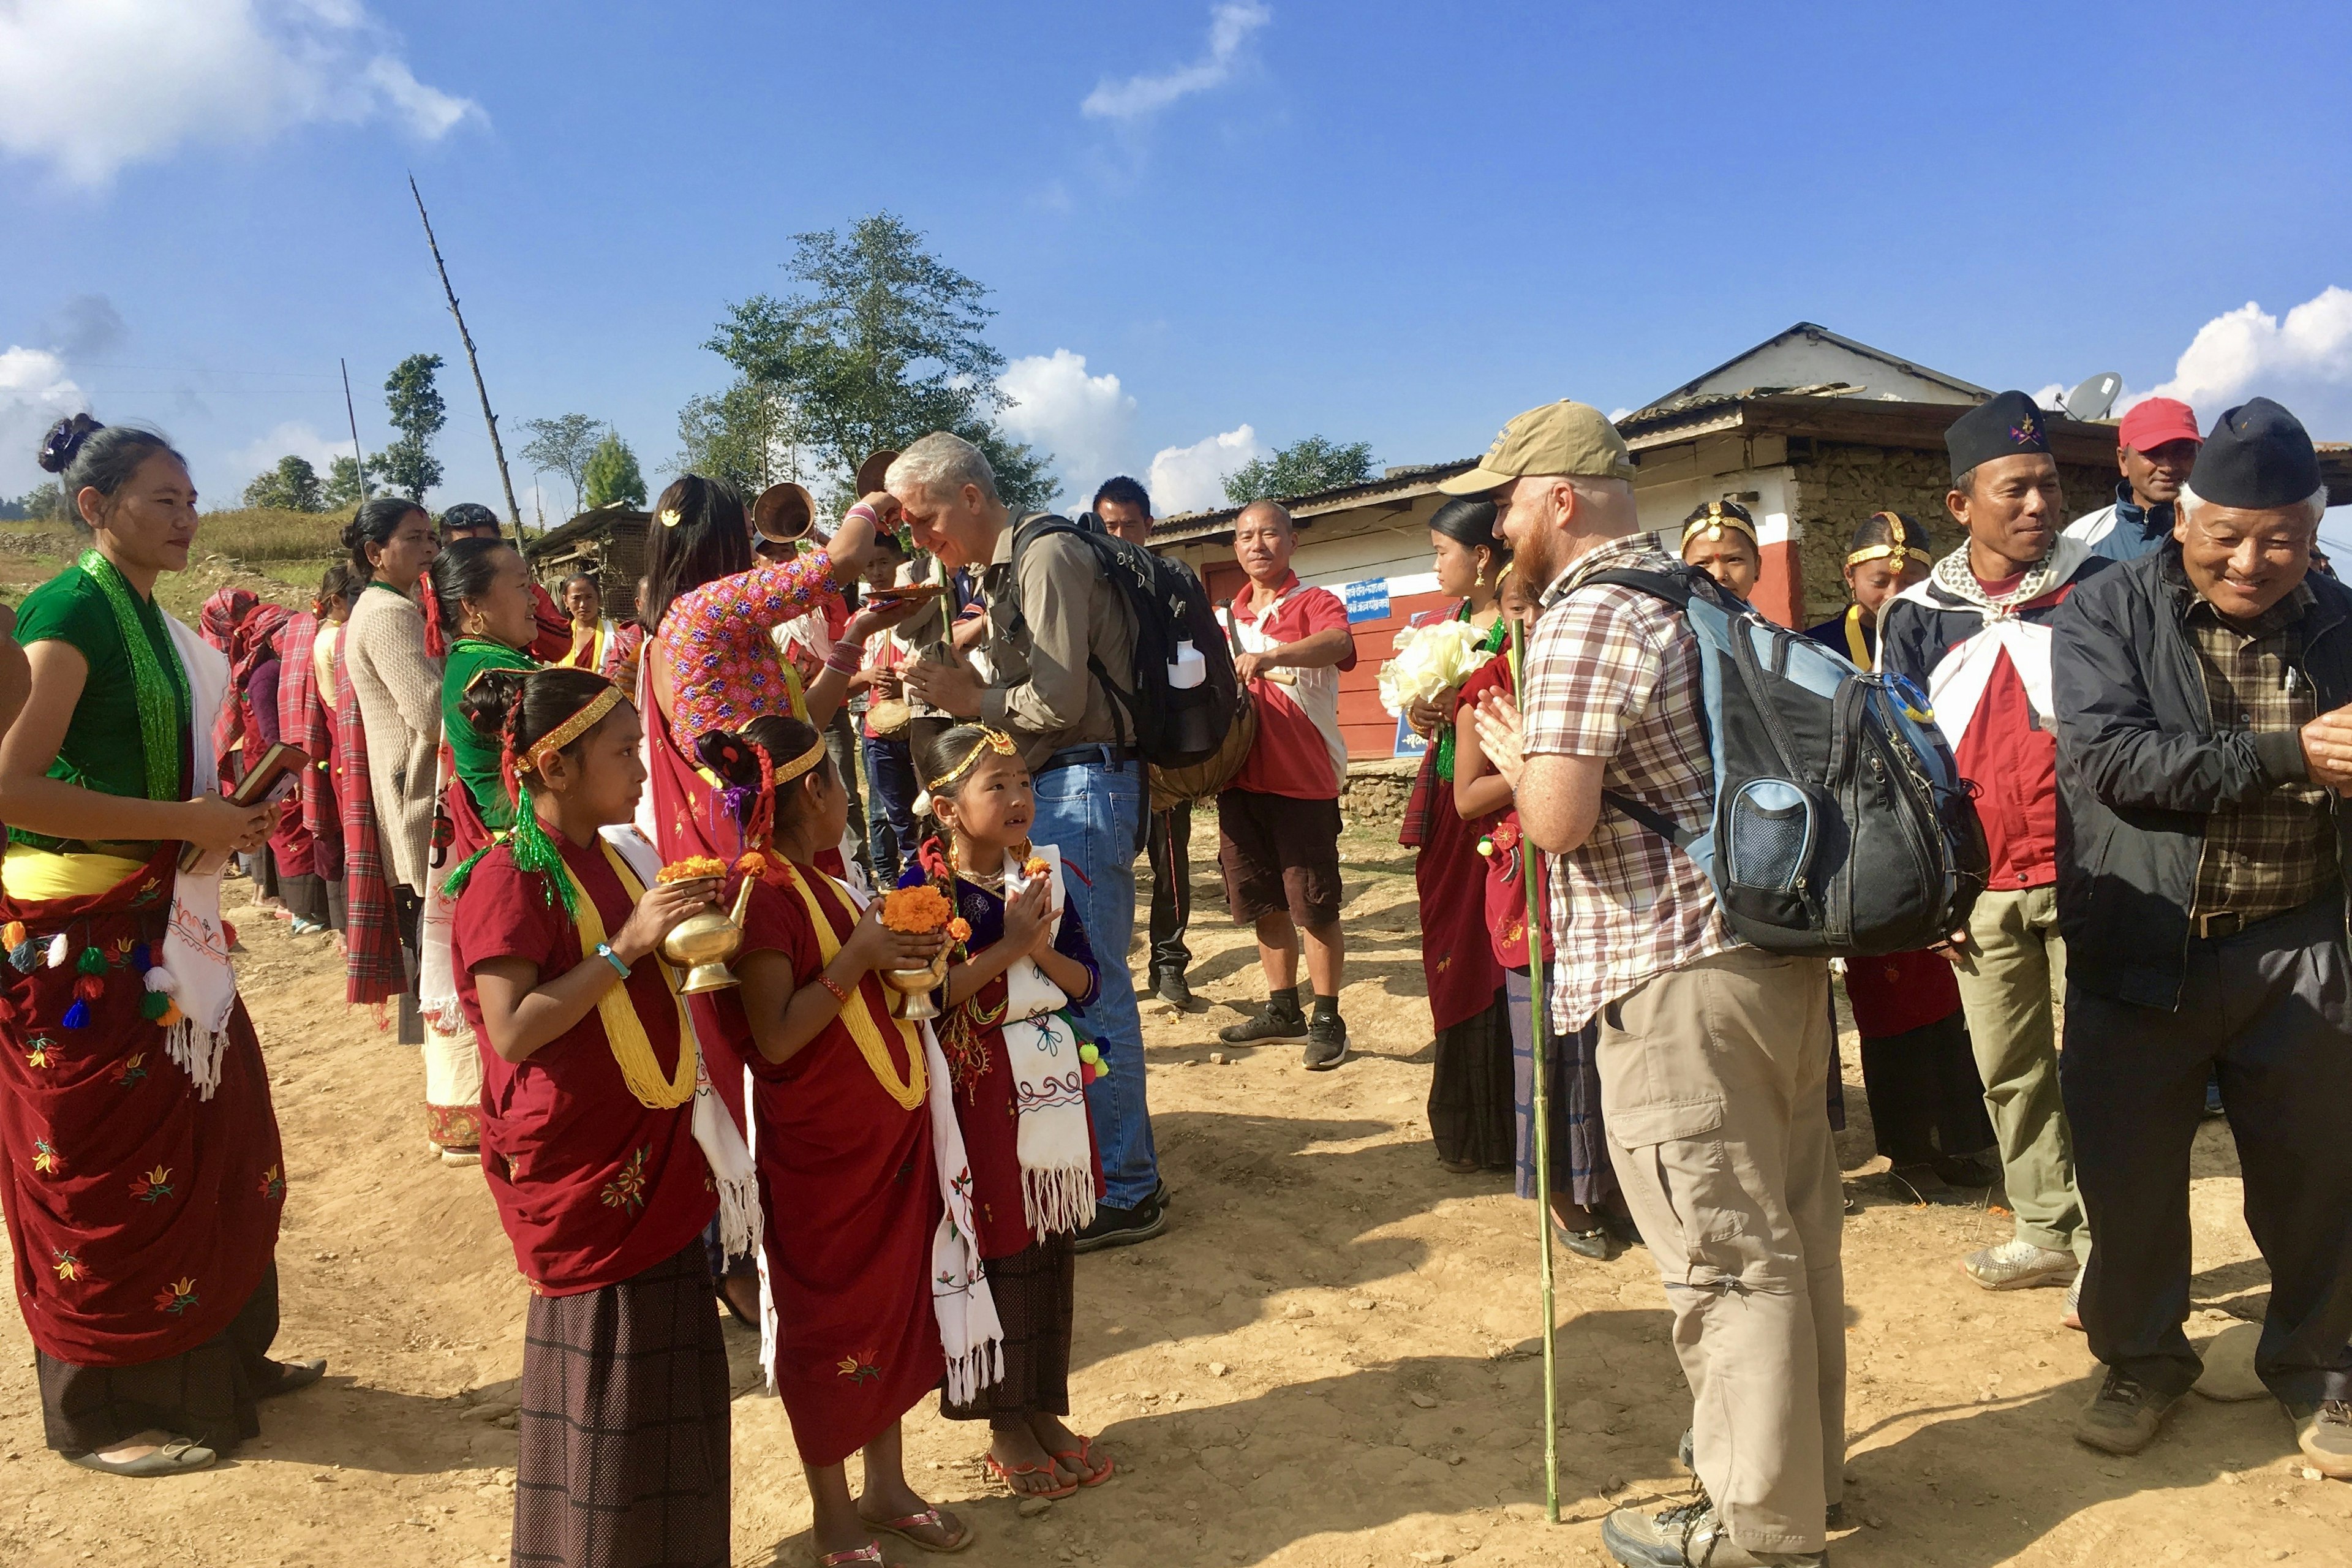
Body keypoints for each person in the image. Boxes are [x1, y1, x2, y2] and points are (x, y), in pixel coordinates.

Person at [1460, 399, 1843, 1568]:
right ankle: (1803, 1476)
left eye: (1510, 503)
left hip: (1671, 975)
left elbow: (1562, 824)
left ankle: (1762, 1531)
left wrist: (1518, 756)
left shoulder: (1588, 618)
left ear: (1559, 499)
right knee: (1795, 1233)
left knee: (1724, 1254)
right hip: (1768, 961)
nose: (1500, 527)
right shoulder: (1701, 593)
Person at [0, 414, 320, 1477]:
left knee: (216, 1141)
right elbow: (13, 789)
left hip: (160, 924)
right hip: (81, 946)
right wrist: (188, 824)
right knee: (107, 1167)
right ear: (96, 509)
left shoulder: (145, 616)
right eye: (163, 501)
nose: (188, 518)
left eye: (191, 499)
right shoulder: (69, 614)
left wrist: (226, 817)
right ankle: (106, 1409)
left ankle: (220, 1357)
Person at [2051, 398, 2352, 1474]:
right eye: (2226, 534)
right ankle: (2141, 1362)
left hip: (2300, 942)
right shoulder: (2103, 614)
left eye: (2280, 538)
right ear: (2183, 519)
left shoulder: (2345, 620)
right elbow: (2114, 765)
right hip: (2144, 944)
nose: (2250, 560)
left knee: (2316, 1175)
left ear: (2314, 537)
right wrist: (2289, 755)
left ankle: (2322, 1370)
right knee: (2129, 1177)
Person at [445, 665, 735, 1566]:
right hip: (587, 1172)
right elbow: (515, 1029)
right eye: (622, 754)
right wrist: (630, 945)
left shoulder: (613, 855)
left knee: (674, 1386)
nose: (643, 771)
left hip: (650, 1146)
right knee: (611, 1391)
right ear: (555, 768)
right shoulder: (507, 878)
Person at [693, 713, 980, 1566]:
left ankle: (887, 1487)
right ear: (814, 791)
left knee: (893, 1311)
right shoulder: (764, 898)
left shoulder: (820, 880)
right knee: (829, 1329)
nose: (851, 799)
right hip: (822, 1161)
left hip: (884, 1142)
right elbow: (777, 1038)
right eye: (841, 785)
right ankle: (833, 1514)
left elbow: (859, 983)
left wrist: (902, 955)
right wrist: (859, 956)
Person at [892, 432, 1167, 1251]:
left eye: (926, 518)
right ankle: (1106, 1168)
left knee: (1093, 977)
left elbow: (1054, 699)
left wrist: (968, 699)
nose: (920, 538)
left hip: (1083, 782)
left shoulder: (1044, 558)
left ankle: (1128, 1186)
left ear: (971, 496)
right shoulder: (999, 572)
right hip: (1064, 783)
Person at [637, 473, 902, 1321]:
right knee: (772, 1053)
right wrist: (882, 495)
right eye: (748, 539)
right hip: (754, 862)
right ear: (722, 549)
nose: (761, 552)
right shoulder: (707, 611)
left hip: (775, 849)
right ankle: (754, 1255)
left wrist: (852, 640)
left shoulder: (699, 633)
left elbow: (798, 734)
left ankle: (775, 1244)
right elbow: (843, 559)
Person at [1877, 391, 2102, 1303]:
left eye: (2048, 485)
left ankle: (2117, 1240)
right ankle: (2046, 1227)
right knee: (2009, 1069)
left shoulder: (2103, 587)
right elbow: (1901, 761)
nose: (2038, 505)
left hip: (2093, 871)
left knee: (2106, 1068)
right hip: (1982, 887)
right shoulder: (1918, 615)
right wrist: (1932, 893)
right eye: (2015, 489)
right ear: (1963, 506)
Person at [907, 723, 1117, 1499]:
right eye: (996, 785)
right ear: (946, 807)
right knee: (994, 1242)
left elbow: (1088, 984)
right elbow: (924, 997)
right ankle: (1004, 1421)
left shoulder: (1044, 876)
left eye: (1024, 780)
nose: (1020, 797)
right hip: (978, 1090)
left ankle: (1042, 1404)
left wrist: (1033, 945)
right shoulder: (922, 892)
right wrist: (1009, 948)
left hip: (1050, 1082)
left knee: (1047, 1244)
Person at [1806, 513, 2000, 1203]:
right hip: (1866, 841)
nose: (1892, 589)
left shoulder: (1947, 631)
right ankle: (1909, 1148)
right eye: (1878, 577)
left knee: (1953, 993)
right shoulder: (1819, 647)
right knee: (1886, 998)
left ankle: (1966, 1138)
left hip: (1943, 831)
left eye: (1908, 576)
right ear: (1850, 577)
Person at [1452, 564, 1632, 1259]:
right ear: (1501, 612)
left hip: (1597, 876)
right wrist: (1537, 764)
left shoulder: (1584, 669)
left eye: (1543, 603)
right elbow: (1468, 797)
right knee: (1545, 1045)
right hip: (1525, 876)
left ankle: (1608, 1182)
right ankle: (1559, 1191)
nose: (1532, 619)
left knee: (1605, 1040)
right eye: (1518, 606)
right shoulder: (1486, 688)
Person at [339, 496, 479, 1160]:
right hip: (423, 802)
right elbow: (429, 710)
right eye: (415, 539)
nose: (430, 549)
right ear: (376, 553)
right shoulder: (390, 613)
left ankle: (451, 1097)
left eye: (432, 538)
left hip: (416, 797)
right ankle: (459, 1113)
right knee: (444, 957)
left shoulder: (392, 608)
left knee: (434, 950)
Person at [1211, 500, 1361, 1071]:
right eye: (1246, 536)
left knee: (1315, 906)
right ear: (1235, 547)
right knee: (1263, 901)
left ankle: (1328, 1018)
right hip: (1239, 781)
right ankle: (1283, 1009)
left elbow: (1339, 645)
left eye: (1270, 533)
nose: (1258, 545)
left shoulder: (1316, 603)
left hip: (1305, 781)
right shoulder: (1223, 615)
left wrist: (1270, 655)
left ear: (1292, 540)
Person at [1397, 495, 1515, 1172]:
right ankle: (1466, 1122)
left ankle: (1504, 1124)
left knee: (1494, 950)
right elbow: (1430, 712)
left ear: (1480, 556)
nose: (1435, 563)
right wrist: (1424, 710)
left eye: (1442, 551)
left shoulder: (1522, 625)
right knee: (1450, 946)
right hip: (1449, 798)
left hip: (1499, 804)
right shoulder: (1452, 624)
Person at [1095, 475, 1199, 1008]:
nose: (1117, 535)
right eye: (1108, 526)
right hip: (1099, 747)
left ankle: (1169, 963)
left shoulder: (1172, 581)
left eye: (1127, 526)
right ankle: (1099, 970)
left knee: (1170, 858)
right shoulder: (1086, 578)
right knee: (1100, 861)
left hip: (1158, 746)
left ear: (1149, 526)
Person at [273, 570, 344, 937]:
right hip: (341, 745)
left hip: (326, 749)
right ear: (337, 601)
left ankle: (342, 929)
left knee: (333, 838)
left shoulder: (320, 639)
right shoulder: (334, 641)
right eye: (358, 593)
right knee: (342, 840)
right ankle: (345, 929)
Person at [854, 534, 924, 886]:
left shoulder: (920, 610)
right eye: (868, 565)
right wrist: (867, 675)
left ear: (902, 561)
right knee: (893, 811)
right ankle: (909, 876)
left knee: (927, 805)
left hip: (921, 727)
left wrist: (905, 686)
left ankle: (935, 872)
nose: (877, 572)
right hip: (876, 733)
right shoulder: (861, 620)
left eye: (883, 562)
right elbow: (842, 678)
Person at [2065, 396, 2203, 564]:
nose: (2168, 467)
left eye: (2182, 452)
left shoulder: (2223, 533)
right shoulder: (2081, 539)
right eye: (2153, 452)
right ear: (2124, 461)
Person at [441, 501, 571, 661]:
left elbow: (560, 647)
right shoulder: (430, 604)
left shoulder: (529, 594)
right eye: (464, 550)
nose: (478, 559)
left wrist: (518, 607)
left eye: (488, 548)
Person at [557, 571, 645, 688]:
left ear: (599, 598)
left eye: (589, 597)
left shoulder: (619, 633)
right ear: (566, 601)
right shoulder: (559, 636)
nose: (583, 605)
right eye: (576, 598)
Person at [1678, 500, 1763, 601]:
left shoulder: (1755, 617)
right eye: (1703, 563)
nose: (1719, 575)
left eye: (1734, 560)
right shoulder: (1668, 616)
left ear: (1757, 567)